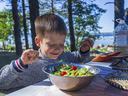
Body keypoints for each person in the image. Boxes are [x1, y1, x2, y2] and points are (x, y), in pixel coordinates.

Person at [0, 13, 93, 90]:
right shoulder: (28, 65)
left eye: (61, 44)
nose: (57, 49)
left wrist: (83, 51)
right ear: (38, 41)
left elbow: (81, 60)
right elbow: (2, 83)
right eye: (51, 44)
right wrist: (20, 64)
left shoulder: (65, 57)